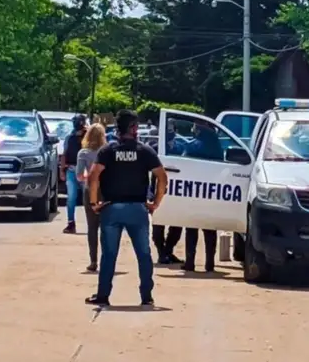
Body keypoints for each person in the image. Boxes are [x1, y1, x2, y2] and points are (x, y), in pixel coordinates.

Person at [85, 110, 168, 306]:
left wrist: (94, 203)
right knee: (144, 254)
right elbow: (162, 178)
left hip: (111, 208)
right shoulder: (145, 151)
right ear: (134, 128)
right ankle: (146, 296)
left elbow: (93, 177)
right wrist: (155, 203)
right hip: (138, 209)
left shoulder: (107, 151)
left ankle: (103, 295)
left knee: (109, 255)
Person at [181, 119, 222, 272]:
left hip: (193, 191)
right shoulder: (217, 146)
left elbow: (182, 164)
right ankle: (210, 264)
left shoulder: (192, 146)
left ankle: (190, 262)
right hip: (211, 191)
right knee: (210, 228)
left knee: (191, 228)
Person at [76, 124, 108, 272]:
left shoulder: (83, 153)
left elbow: (79, 175)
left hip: (90, 190)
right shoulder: (107, 151)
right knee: (107, 227)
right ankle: (107, 259)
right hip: (106, 190)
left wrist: (88, 177)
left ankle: (93, 260)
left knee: (92, 227)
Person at [150, 124, 184, 265]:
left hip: (177, 191)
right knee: (158, 224)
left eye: (172, 130)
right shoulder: (154, 148)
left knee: (177, 224)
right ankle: (162, 252)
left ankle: (168, 251)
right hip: (158, 189)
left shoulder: (180, 148)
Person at [62, 114, 88, 234]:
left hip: (85, 171)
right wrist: (62, 170)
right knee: (71, 198)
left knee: (88, 198)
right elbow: (65, 154)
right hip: (71, 170)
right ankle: (71, 223)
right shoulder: (69, 137)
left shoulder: (88, 137)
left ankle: (93, 223)